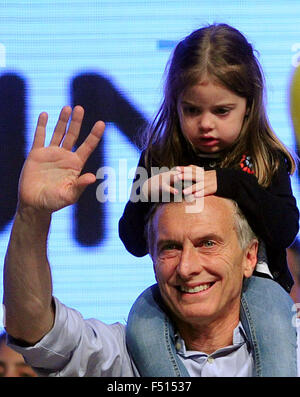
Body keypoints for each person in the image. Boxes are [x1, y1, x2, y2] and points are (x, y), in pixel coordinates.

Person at [2, 107, 298, 376]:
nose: (187, 267)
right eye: (170, 247)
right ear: (152, 258)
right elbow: (34, 330)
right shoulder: (122, 358)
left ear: (249, 257)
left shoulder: (293, 349)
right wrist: (31, 215)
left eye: (208, 243)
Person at [119, 23, 299, 293]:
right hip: (185, 290)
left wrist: (230, 183)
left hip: (260, 290)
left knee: (272, 326)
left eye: (221, 111)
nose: (205, 123)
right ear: (175, 104)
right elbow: (134, 243)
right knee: (143, 327)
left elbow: (284, 230)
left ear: (248, 105)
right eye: (192, 110)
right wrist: (144, 196)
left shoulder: (265, 157)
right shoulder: (159, 157)